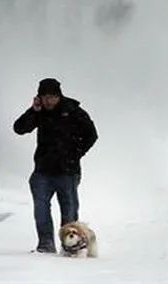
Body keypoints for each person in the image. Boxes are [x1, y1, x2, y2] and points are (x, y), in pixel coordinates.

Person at [13, 78, 98, 253]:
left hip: (68, 170)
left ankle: (72, 246)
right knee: (41, 208)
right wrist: (33, 111)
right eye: (45, 97)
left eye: (52, 97)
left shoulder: (73, 110)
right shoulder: (39, 112)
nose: (49, 101)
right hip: (43, 170)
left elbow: (91, 134)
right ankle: (45, 244)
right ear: (39, 98)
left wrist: (76, 154)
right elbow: (19, 128)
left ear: (59, 96)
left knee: (69, 209)